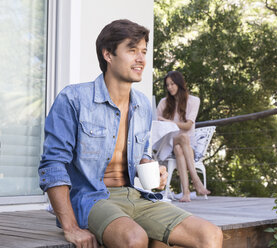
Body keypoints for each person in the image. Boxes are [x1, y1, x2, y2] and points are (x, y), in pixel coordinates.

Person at [38, 19, 223, 248]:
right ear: (108, 55)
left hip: (137, 196)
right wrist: (71, 227)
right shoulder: (74, 99)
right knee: (136, 239)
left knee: (211, 235)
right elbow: (53, 165)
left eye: (144, 51)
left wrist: (153, 169)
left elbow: (141, 153)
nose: (141, 59)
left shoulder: (142, 105)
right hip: (91, 198)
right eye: (132, 50)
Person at [157, 71, 211, 202]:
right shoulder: (164, 102)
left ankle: (186, 192)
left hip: (187, 146)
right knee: (182, 139)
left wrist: (170, 122)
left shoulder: (193, 100)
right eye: (167, 85)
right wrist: (166, 122)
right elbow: (157, 122)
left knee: (180, 147)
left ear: (180, 84)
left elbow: (188, 126)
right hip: (169, 142)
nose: (170, 87)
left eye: (172, 84)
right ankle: (196, 181)